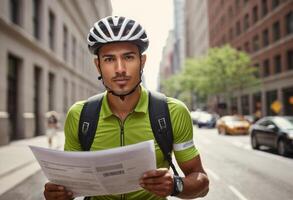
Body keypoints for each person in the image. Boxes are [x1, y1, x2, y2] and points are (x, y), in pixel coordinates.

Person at [44, 16, 209, 200]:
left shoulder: (172, 111)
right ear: (98, 65)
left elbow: (201, 183)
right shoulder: (80, 115)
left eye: (128, 57)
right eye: (109, 59)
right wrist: (58, 194)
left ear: (142, 62)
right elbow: (71, 184)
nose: (120, 69)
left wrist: (175, 185)